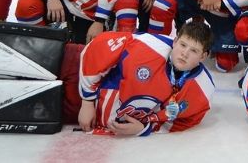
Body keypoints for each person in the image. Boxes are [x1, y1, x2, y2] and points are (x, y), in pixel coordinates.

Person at [78, 20, 215, 136]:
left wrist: (144, 128)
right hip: (77, 78)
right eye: (183, 45)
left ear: (203, 56)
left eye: (194, 50)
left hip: (97, 120)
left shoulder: (203, 89)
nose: (185, 53)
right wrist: (87, 101)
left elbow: (180, 122)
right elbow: (97, 46)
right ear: (175, 41)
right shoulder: (149, 45)